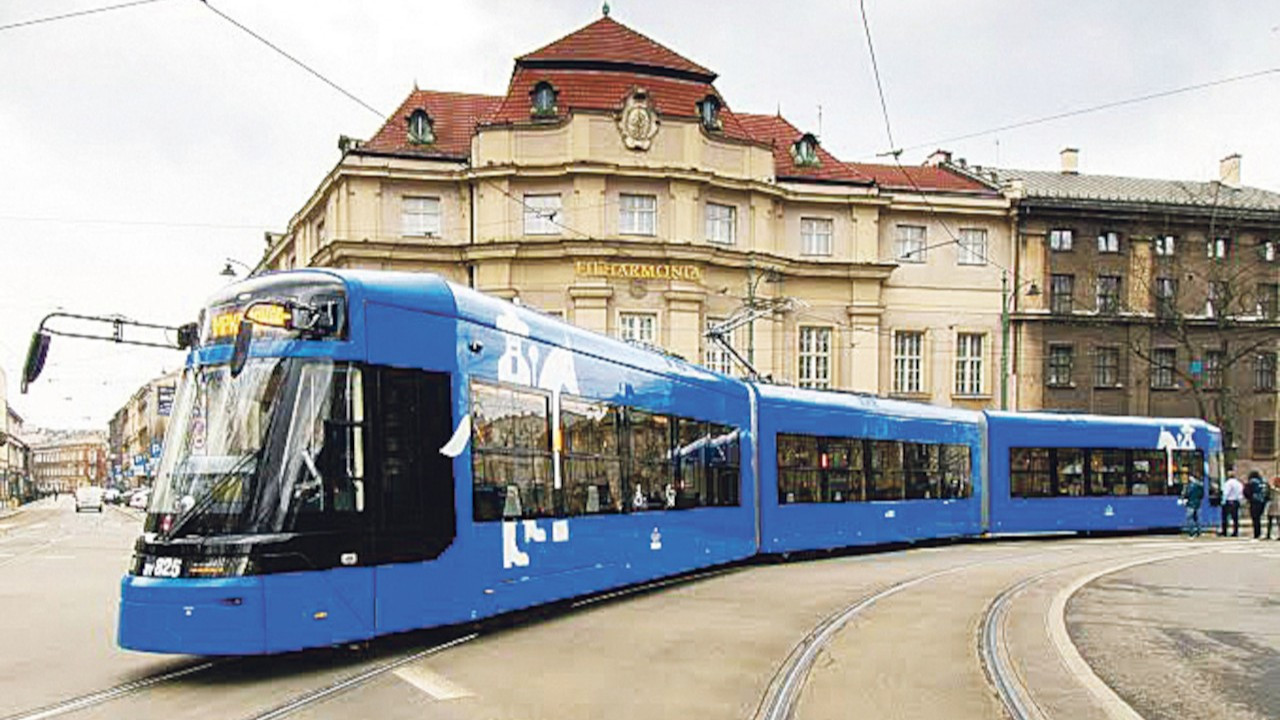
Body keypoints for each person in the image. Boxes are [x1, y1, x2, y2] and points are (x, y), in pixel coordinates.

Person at [1245, 471, 1269, 539]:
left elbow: (1246, 491)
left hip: (1254, 502)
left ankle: (1256, 533)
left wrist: (1249, 499)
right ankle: (1259, 532)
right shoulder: (1263, 482)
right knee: (1259, 517)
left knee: (1255, 518)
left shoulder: (1251, 482)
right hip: (1262, 502)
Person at [1180, 472, 1204, 537]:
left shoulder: (1189, 486)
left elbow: (1187, 494)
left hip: (1191, 504)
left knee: (1189, 517)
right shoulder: (1200, 485)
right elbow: (1201, 495)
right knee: (1197, 518)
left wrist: (1183, 498)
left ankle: (1192, 531)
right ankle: (1199, 531)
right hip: (1198, 504)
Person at [1221, 472, 1244, 537]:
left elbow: (1226, 493)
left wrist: (1223, 501)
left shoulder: (1228, 483)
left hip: (1229, 501)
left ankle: (1224, 531)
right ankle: (1235, 532)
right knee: (1235, 518)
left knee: (1225, 517)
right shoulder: (1239, 483)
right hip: (1236, 502)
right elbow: (1240, 494)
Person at [1267, 476, 1280, 540]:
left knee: (1276, 521)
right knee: (1270, 521)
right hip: (1274, 506)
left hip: (1276, 506)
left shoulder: (1275, 490)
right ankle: (1268, 534)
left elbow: (1271, 489)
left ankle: (1269, 534)